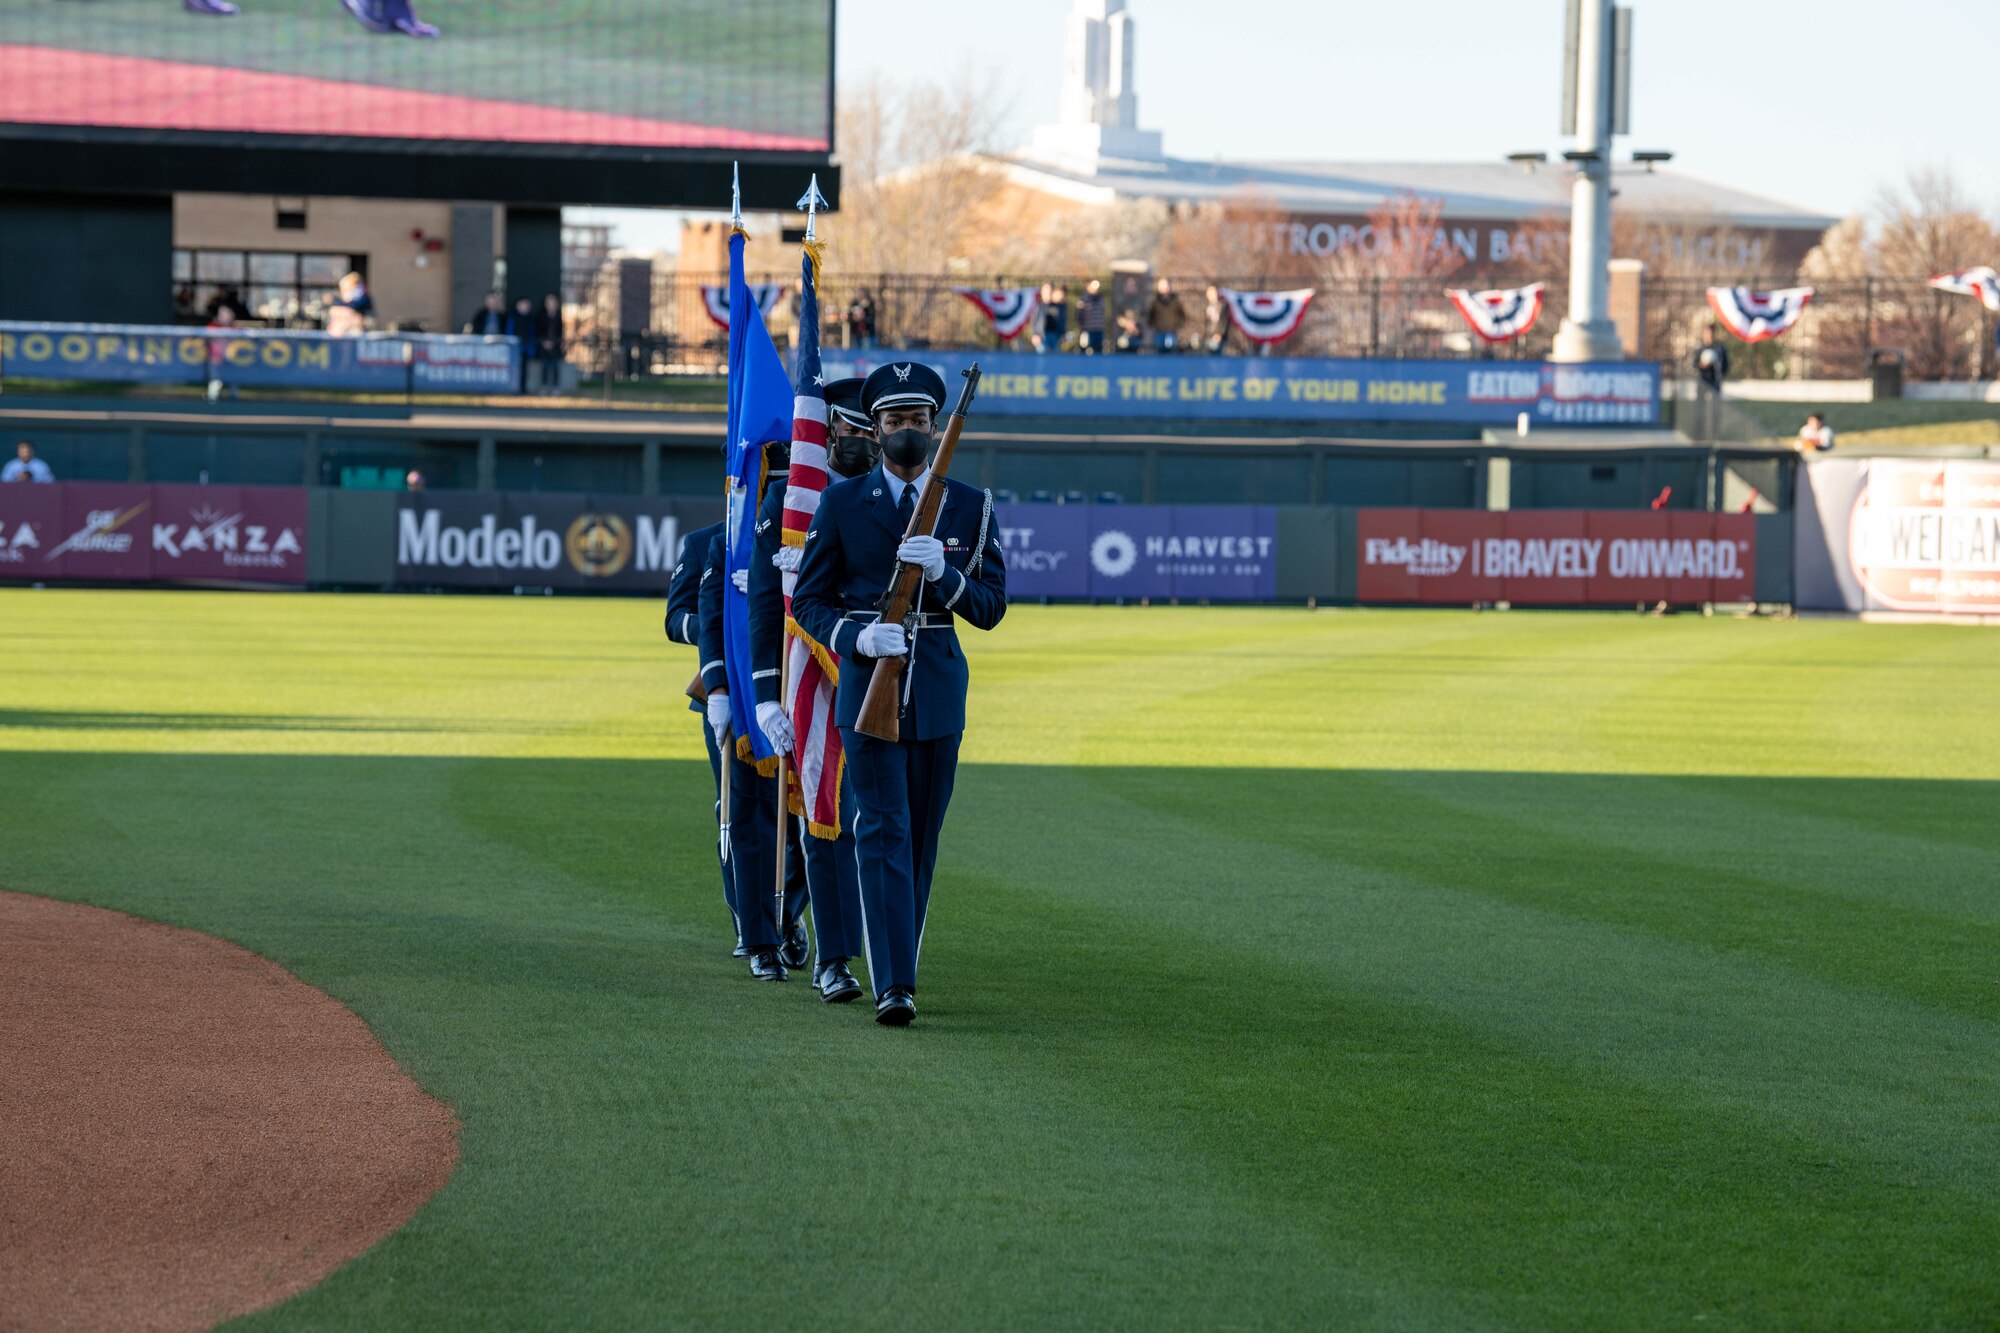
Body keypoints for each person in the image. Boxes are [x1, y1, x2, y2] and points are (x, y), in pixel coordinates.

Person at [790, 361, 1009, 1027]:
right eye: (893, 422)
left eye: (917, 421)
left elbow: (992, 607)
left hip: (937, 685)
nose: (906, 431)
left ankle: (899, 964)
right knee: (882, 827)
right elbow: (810, 599)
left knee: (920, 838)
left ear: (935, 427)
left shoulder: (971, 506)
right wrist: (856, 639)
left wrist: (943, 577)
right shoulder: (842, 502)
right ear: (876, 429)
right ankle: (894, 985)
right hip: (868, 686)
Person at [746, 378, 879, 1003]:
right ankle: (835, 958)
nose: (861, 444)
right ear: (827, 434)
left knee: (877, 823)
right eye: (851, 432)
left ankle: (886, 952)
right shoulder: (788, 502)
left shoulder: (892, 497)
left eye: (866, 433)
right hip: (814, 676)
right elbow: (768, 606)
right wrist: (769, 695)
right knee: (826, 816)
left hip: (881, 675)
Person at [698, 460, 810, 982]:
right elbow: (703, 613)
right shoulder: (724, 537)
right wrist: (718, 684)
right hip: (747, 691)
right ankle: (760, 937)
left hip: (811, 685)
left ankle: (790, 916)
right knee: (751, 821)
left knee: (820, 820)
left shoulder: (825, 519)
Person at [666, 517, 743, 955]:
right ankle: (747, 921)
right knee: (732, 809)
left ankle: (787, 913)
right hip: (723, 692)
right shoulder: (703, 543)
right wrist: (720, 625)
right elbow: (674, 619)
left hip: (787, 693)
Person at [1145, 277, 1188, 353]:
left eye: (1166, 287)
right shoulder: (1155, 301)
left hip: (1171, 332)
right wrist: (1152, 327)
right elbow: (1150, 316)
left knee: (1171, 353)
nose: (1164, 289)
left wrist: (1178, 326)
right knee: (1159, 353)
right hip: (1159, 332)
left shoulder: (1175, 301)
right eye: (1162, 287)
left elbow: (1183, 316)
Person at [505, 297, 539, 393]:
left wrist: (531, 349)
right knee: (513, 369)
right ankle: (512, 387)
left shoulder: (531, 319)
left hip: (525, 347)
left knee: (524, 370)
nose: (525, 306)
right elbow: (509, 333)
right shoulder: (512, 317)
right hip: (514, 348)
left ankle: (522, 388)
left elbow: (532, 334)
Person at [326, 272, 372, 337]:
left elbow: (353, 307)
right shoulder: (340, 301)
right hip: (341, 333)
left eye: (347, 288)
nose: (344, 292)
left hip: (359, 331)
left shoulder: (363, 298)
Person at [536, 294, 565, 395]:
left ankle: (555, 387)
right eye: (549, 302)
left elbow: (560, 332)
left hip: (555, 347)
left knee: (555, 367)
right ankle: (544, 386)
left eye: (553, 302)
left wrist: (554, 343)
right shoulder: (541, 316)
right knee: (544, 366)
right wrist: (544, 342)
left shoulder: (558, 317)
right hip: (543, 346)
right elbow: (539, 331)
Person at [1034, 283, 1068, 354]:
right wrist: (1035, 334)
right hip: (1042, 336)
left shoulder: (1058, 306)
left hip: (1055, 335)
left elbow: (1062, 321)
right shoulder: (1039, 305)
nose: (1048, 293)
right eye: (1046, 291)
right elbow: (1035, 320)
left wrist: (1063, 333)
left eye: (1050, 291)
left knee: (1055, 358)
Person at [1694, 326, 1730, 394]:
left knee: (1716, 402)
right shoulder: (1700, 348)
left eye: (1711, 334)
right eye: (1706, 334)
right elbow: (1694, 364)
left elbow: (1726, 363)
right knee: (1700, 403)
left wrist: (1722, 374)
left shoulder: (1720, 348)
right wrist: (1701, 365)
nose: (1709, 336)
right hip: (1702, 381)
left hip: (1715, 380)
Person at [1075, 279, 1106, 354]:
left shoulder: (1101, 299)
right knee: (1085, 349)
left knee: (1098, 350)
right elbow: (1079, 315)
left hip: (1099, 329)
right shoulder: (1084, 299)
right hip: (1087, 330)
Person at [1203, 284, 1229, 354]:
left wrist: (1219, 333)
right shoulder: (1206, 306)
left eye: (1212, 292)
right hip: (1208, 335)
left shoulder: (1222, 305)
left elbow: (1224, 321)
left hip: (1218, 336)